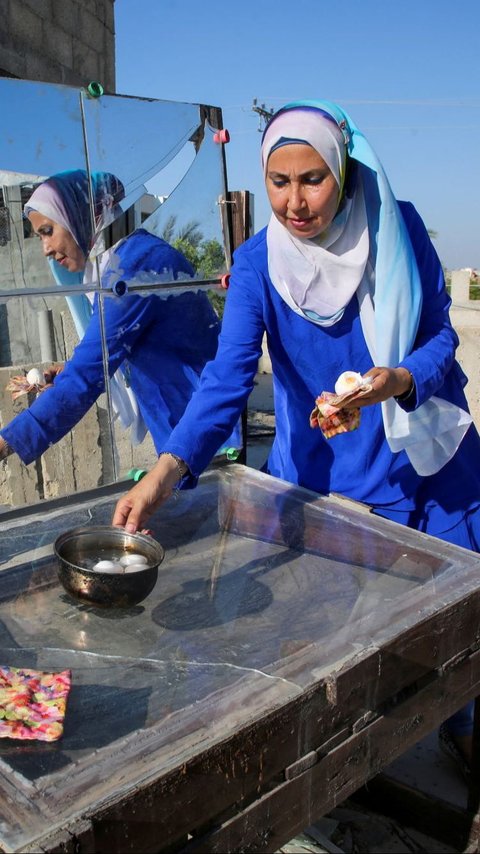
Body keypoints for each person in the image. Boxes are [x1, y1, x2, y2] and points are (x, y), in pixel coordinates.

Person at [112, 100, 480, 766]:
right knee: (334, 650)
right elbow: (227, 380)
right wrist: (166, 473)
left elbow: (440, 336)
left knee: (462, 637)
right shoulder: (257, 265)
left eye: (313, 179)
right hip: (320, 480)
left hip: (427, 465)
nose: (295, 202)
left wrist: (397, 379)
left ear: (343, 172)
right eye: (279, 183)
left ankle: (462, 738)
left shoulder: (397, 231)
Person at [0, 169, 236, 466]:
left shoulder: (131, 270)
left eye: (48, 231)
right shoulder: (121, 260)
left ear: (79, 215)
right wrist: (69, 369)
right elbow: (115, 347)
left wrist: (5, 442)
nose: (45, 249)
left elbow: (86, 376)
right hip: (187, 428)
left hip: (208, 432)